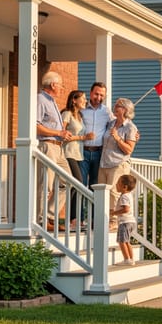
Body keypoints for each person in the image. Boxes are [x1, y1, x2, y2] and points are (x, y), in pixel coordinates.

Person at [35, 71, 73, 230]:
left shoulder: (52, 102)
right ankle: (41, 220)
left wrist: (63, 134)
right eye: (60, 85)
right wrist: (58, 133)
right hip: (47, 146)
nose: (62, 88)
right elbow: (36, 125)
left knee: (68, 181)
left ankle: (49, 216)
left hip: (58, 148)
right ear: (52, 85)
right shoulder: (40, 100)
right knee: (46, 185)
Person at [98, 98, 138, 230]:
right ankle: (101, 218)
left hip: (118, 164)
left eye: (118, 106)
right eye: (115, 105)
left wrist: (117, 138)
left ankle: (113, 220)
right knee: (102, 192)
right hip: (104, 163)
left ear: (125, 110)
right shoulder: (111, 123)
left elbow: (129, 149)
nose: (115, 107)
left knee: (114, 193)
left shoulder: (130, 127)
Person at [61, 90, 94, 228]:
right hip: (69, 153)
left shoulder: (80, 115)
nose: (85, 101)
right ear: (74, 100)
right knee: (77, 183)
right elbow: (62, 135)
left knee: (78, 186)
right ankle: (73, 219)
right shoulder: (67, 114)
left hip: (79, 154)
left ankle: (75, 220)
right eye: (83, 98)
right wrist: (83, 137)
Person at [81, 82, 112, 188]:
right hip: (82, 151)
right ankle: (79, 205)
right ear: (90, 93)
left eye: (102, 95)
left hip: (99, 153)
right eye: (96, 94)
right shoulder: (81, 108)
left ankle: (94, 205)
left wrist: (134, 134)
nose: (98, 97)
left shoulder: (107, 112)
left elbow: (117, 125)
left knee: (95, 184)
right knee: (80, 183)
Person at [109, 174, 137, 265]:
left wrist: (114, 213)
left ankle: (127, 260)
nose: (116, 184)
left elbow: (126, 209)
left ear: (124, 187)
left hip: (125, 222)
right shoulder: (128, 195)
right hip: (131, 221)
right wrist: (115, 210)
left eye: (118, 183)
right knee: (127, 241)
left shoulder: (124, 196)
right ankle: (131, 259)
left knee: (122, 241)